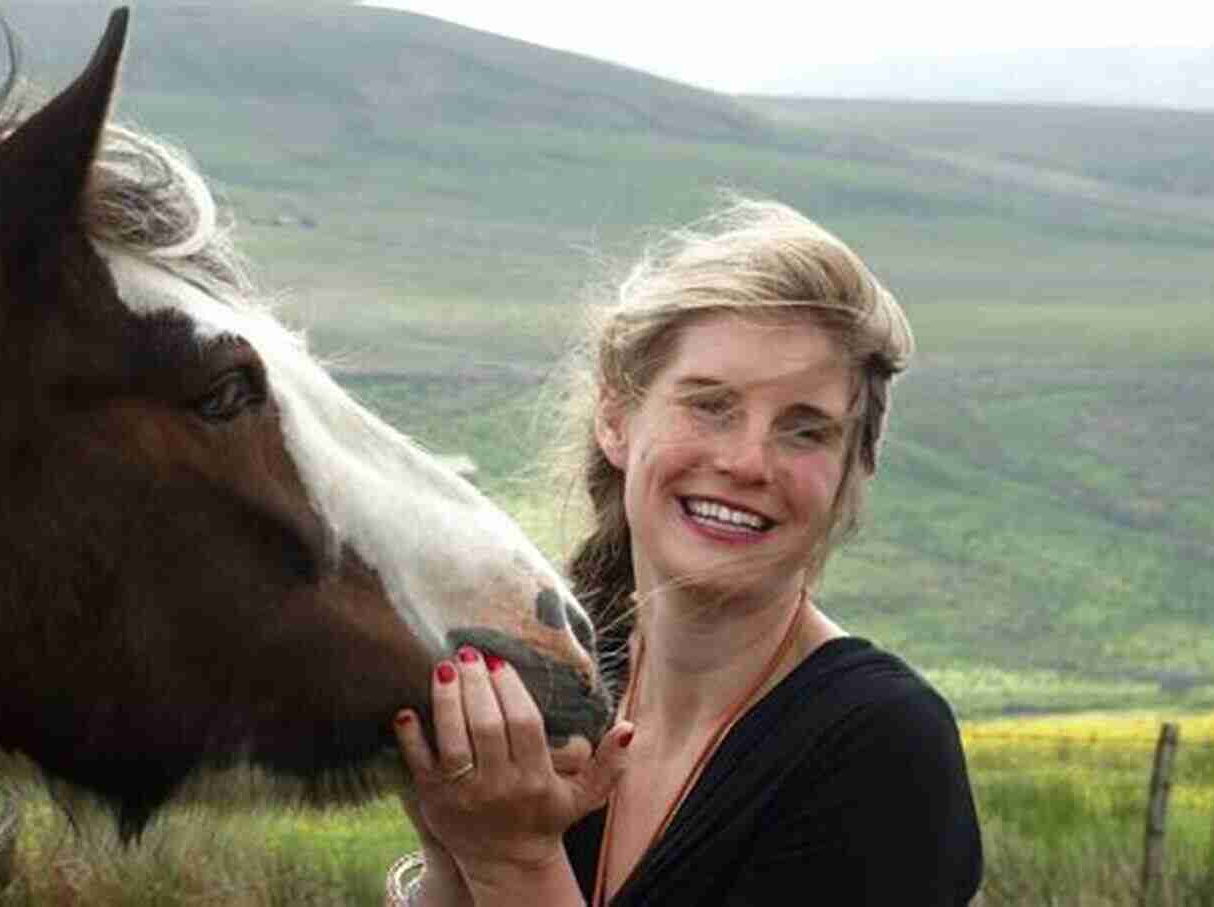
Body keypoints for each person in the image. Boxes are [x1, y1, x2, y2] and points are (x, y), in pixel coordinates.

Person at [388, 197, 983, 906]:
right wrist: (453, 858)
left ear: (853, 471)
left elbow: (513, 863)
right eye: (710, 405)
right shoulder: (566, 691)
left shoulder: (883, 751)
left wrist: (513, 861)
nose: (748, 461)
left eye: (805, 430)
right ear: (617, 418)